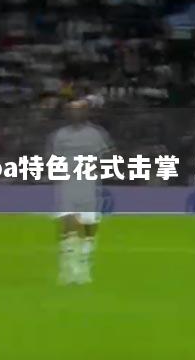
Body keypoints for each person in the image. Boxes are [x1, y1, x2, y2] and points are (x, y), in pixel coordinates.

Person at [48, 99, 114, 285]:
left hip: (89, 184)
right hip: (67, 184)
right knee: (67, 224)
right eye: (72, 110)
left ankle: (85, 265)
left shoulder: (95, 134)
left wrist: (99, 167)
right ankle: (68, 268)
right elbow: (53, 158)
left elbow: (107, 155)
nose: (75, 113)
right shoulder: (60, 135)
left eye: (79, 110)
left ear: (86, 113)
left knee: (88, 225)